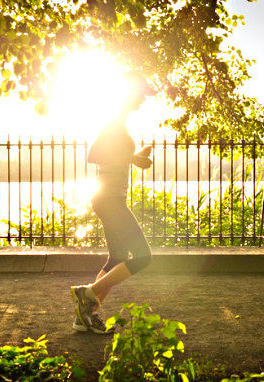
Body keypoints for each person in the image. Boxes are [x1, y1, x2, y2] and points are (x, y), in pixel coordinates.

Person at [70, 72, 155, 334]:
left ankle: (85, 318)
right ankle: (88, 293)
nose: (143, 99)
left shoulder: (119, 122)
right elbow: (94, 154)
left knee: (116, 259)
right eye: (141, 93)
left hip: (109, 197)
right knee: (143, 257)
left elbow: (114, 156)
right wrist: (133, 158)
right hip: (109, 199)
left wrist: (133, 157)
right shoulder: (113, 121)